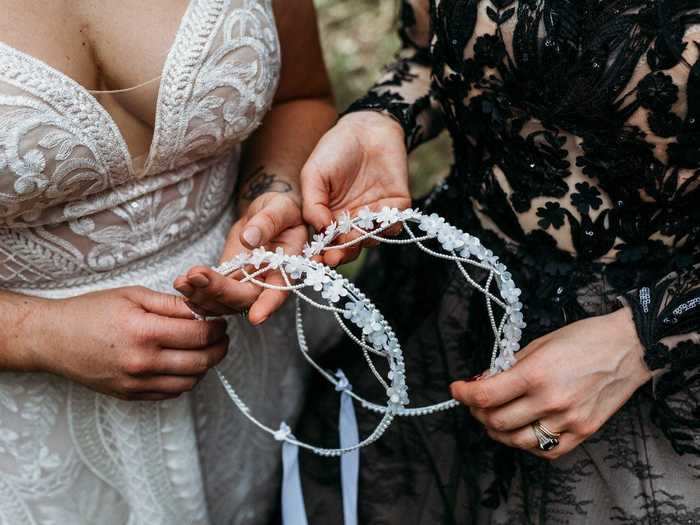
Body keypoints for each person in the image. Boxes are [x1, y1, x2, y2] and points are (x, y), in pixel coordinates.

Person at [294, 1, 700, 523]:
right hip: (441, 301)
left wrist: (640, 338)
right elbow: (429, 56)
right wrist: (383, 116)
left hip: (658, 363)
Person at [0, 0, 334, 523]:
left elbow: (300, 96)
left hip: (256, 360)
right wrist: (35, 333)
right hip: (36, 431)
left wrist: (269, 200)